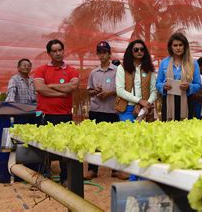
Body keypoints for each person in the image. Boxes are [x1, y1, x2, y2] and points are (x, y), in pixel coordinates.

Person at [33, 39, 80, 185]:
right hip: (44, 114)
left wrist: (51, 86)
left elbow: (72, 87)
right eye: (54, 51)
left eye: (60, 50)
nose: (58, 53)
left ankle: (65, 178)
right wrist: (61, 93)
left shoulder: (71, 70)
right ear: (49, 53)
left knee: (65, 147)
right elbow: (40, 88)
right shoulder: (41, 70)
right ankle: (44, 177)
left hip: (64, 114)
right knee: (43, 146)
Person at [84, 41, 119, 180]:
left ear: (109, 54)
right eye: (100, 52)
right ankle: (92, 170)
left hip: (112, 110)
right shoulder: (93, 73)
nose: (102, 55)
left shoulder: (117, 71)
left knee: (113, 140)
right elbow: (89, 91)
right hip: (96, 110)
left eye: (105, 52)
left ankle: (115, 170)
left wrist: (109, 93)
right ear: (97, 54)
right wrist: (95, 91)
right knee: (94, 141)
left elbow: (121, 90)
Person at [156, 32, 202, 121]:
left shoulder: (193, 63)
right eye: (175, 45)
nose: (178, 48)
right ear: (171, 47)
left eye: (180, 45)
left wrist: (189, 86)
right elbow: (158, 83)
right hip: (168, 100)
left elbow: (198, 85)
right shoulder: (164, 62)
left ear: (185, 46)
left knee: (185, 130)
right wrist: (163, 86)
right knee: (168, 129)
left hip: (187, 101)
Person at [115, 39, 157, 123]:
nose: (139, 51)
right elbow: (119, 90)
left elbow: (154, 90)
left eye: (142, 49)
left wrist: (147, 104)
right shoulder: (122, 67)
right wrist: (139, 101)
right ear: (131, 51)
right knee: (128, 134)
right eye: (136, 49)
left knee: (144, 135)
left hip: (145, 108)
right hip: (126, 108)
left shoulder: (149, 69)